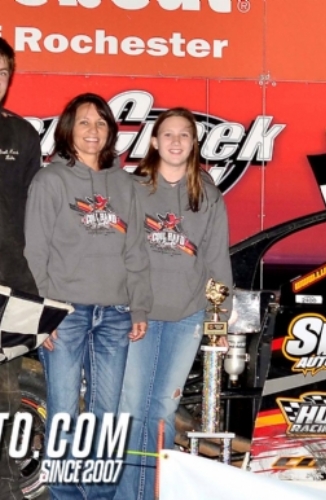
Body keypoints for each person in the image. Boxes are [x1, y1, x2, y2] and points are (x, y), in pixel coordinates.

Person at [24, 93, 152, 500]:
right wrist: (42, 316)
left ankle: (99, 496)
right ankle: (64, 495)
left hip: (116, 312)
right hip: (65, 314)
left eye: (100, 123)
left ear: (111, 131)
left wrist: (138, 306)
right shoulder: (50, 180)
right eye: (84, 123)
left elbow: (136, 249)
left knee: (106, 416)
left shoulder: (123, 183)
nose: (93, 131)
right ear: (68, 130)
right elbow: (35, 251)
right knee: (63, 413)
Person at [115, 107, 233, 500]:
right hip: (139, 316)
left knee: (163, 413)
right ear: (153, 141)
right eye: (168, 134)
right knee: (132, 410)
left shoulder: (209, 195)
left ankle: (153, 494)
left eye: (185, 134)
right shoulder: (132, 189)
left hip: (187, 317)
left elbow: (218, 266)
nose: (176, 141)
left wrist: (219, 327)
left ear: (194, 143)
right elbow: (118, 254)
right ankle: (127, 494)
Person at [0, 38, 41, 500]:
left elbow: (34, 222)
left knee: (7, 406)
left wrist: (34, 293)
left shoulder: (21, 135)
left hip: (8, 293)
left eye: (4, 71)